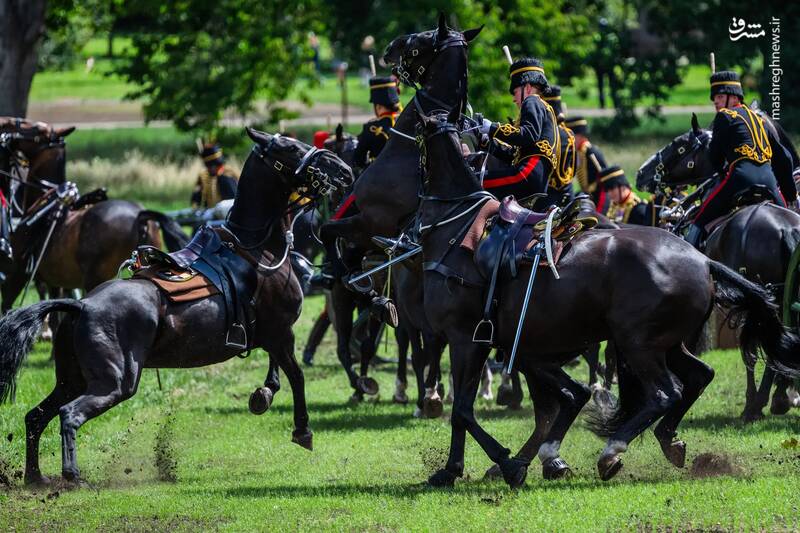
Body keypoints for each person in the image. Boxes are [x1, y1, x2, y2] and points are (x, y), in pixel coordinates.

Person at [685, 70, 797, 248]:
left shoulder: (723, 117)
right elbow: (784, 158)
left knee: (699, 219)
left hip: (740, 179)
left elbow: (715, 158)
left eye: (720, 97)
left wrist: (722, 168)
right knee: (791, 220)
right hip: (769, 182)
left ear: (734, 97)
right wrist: (790, 195)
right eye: (715, 100)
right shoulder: (760, 119)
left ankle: (689, 254)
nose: (717, 103)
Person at [476, 58, 564, 207]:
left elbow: (527, 135)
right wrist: (487, 142)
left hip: (526, 173)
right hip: (534, 179)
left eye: (515, 91)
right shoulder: (542, 107)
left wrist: (492, 128)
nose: (513, 99)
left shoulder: (532, 101)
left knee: (471, 180)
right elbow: (514, 154)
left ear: (527, 88)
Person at [353, 76, 401, 171]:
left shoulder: (371, 127)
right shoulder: (406, 120)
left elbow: (358, 159)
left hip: (380, 178)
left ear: (378, 106)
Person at [566, 115, 609, 213]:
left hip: (598, 199)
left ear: (579, 136)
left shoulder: (591, 152)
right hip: (587, 196)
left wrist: (599, 211)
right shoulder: (577, 153)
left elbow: (605, 183)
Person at [191, 143, 238, 209]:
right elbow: (196, 201)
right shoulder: (203, 177)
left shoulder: (227, 176)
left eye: (209, 166)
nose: (208, 169)